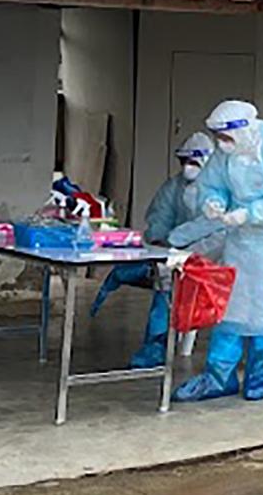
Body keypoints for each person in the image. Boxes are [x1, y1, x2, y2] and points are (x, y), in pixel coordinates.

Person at [168, 100, 263, 403]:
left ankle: (260, 378)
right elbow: (211, 185)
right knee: (233, 308)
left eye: (226, 138)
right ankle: (218, 379)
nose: (221, 144)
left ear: (245, 130)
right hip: (243, 241)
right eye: (218, 138)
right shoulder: (226, 153)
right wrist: (213, 202)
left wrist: (250, 213)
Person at [90, 132, 215, 368]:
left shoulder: (218, 192)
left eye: (194, 162)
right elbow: (160, 218)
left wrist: (184, 252)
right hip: (173, 250)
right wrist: (161, 243)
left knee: (168, 278)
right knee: (152, 269)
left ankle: (158, 342)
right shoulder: (174, 186)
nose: (188, 167)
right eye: (185, 161)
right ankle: (158, 340)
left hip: (209, 254)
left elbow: (218, 234)